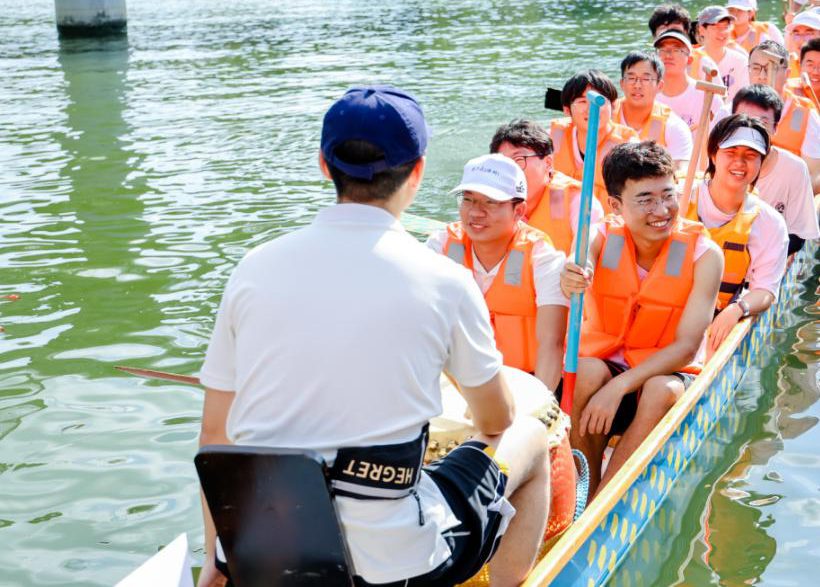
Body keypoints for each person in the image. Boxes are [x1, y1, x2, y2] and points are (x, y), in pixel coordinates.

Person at [196, 86, 550, 587]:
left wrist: (218, 556)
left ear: (324, 163)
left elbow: (215, 438)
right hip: (391, 567)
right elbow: (496, 417)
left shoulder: (252, 269)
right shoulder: (445, 280)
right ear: (419, 171)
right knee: (528, 436)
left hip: (267, 555)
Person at [559, 142, 722, 496]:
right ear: (616, 205)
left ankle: (607, 502)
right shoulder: (601, 235)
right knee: (585, 371)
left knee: (657, 390)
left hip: (666, 372)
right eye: (645, 199)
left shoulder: (706, 255)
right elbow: (580, 253)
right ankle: (581, 491)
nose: (662, 210)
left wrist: (619, 387)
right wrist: (574, 270)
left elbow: (686, 347)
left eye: (668, 195)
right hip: (612, 365)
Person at [427, 154, 569, 389]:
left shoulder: (543, 259)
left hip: (525, 382)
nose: (475, 212)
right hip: (453, 381)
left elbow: (551, 344)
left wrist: (537, 410)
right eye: (468, 200)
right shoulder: (441, 244)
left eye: (490, 202)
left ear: (519, 210)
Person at [682, 114, 789, 347]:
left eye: (750, 156)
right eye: (730, 153)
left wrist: (738, 309)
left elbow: (765, 290)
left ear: (762, 163)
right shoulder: (680, 198)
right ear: (713, 154)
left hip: (714, 318)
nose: (739, 164)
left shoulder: (770, 222)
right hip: (664, 311)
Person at [490, 119, 604, 254]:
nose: (512, 171)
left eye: (519, 160)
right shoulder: (489, 203)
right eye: (504, 164)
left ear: (548, 163)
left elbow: (590, 246)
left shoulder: (578, 202)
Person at [731, 85, 820, 254]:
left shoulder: (794, 169)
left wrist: (756, 258)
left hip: (766, 259)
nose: (752, 128)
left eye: (762, 122)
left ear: (775, 128)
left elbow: (798, 235)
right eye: (742, 119)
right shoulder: (717, 159)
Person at [745, 41, 820, 193]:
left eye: (772, 69)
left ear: (787, 74)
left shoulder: (806, 114)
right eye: (756, 68)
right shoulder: (729, 110)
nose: (763, 76)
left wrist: (779, 195)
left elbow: (818, 176)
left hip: (785, 197)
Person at [551, 71, 638, 210]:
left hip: (609, 224)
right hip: (565, 221)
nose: (591, 109)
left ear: (614, 106)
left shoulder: (629, 146)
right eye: (582, 101)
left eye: (599, 101)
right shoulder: (552, 137)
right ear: (567, 110)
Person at [614, 51, 693, 169]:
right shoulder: (606, 115)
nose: (637, 85)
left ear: (660, 86)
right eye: (631, 78)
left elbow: (681, 174)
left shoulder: (673, 126)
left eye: (646, 79)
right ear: (622, 83)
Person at [654, 29, 729, 131]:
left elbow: (724, 135)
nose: (668, 55)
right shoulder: (647, 95)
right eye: (662, 50)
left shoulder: (708, 97)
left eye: (676, 50)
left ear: (689, 60)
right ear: (654, 57)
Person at [689, 6, 749, 95]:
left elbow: (745, 96)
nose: (722, 32)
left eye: (726, 27)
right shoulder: (690, 59)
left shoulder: (741, 61)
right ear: (702, 30)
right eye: (716, 27)